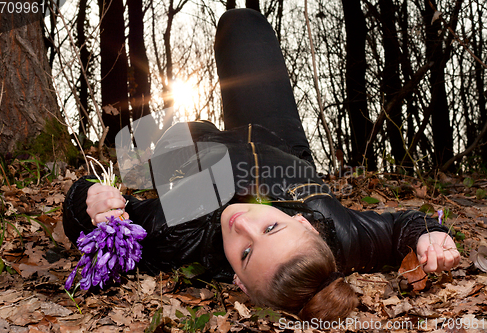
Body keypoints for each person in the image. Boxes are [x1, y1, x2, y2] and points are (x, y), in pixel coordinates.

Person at [63, 9, 460, 322]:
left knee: (187, 128)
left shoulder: (177, 237)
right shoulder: (340, 230)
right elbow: (399, 227)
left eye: (247, 253)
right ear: (305, 223)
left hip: (192, 151)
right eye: (272, 227)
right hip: (275, 139)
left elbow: (102, 227)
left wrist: (89, 199)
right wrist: (430, 235)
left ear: (240, 283)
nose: (242, 224)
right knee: (241, 23)